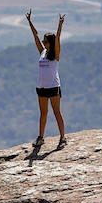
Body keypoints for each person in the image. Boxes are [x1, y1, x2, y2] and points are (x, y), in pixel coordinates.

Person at [26, 9, 66, 146]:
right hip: (41, 88)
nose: (43, 42)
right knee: (43, 114)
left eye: (46, 41)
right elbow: (35, 36)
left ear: (51, 43)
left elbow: (58, 38)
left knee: (56, 113)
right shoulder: (42, 52)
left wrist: (60, 25)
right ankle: (40, 137)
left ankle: (62, 139)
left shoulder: (55, 55)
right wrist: (29, 21)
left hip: (53, 87)